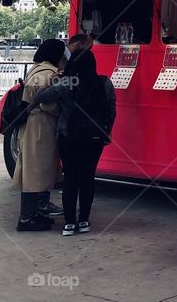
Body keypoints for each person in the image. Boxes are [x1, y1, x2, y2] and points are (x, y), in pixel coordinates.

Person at [30, 49, 116, 236]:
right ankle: (84, 220)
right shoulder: (104, 83)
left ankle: (69, 223)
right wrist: (107, 133)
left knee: (70, 178)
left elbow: (40, 97)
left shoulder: (67, 83)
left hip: (68, 137)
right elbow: (111, 110)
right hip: (94, 139)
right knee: (87, 178)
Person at [13, 39, 65, 231]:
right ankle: (26, 219)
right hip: (42, 127)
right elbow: (48, 104)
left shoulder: (35, 69)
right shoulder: (48, 74)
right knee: (35, 173)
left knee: (34, 171)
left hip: (32, 125)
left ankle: (34, 215)